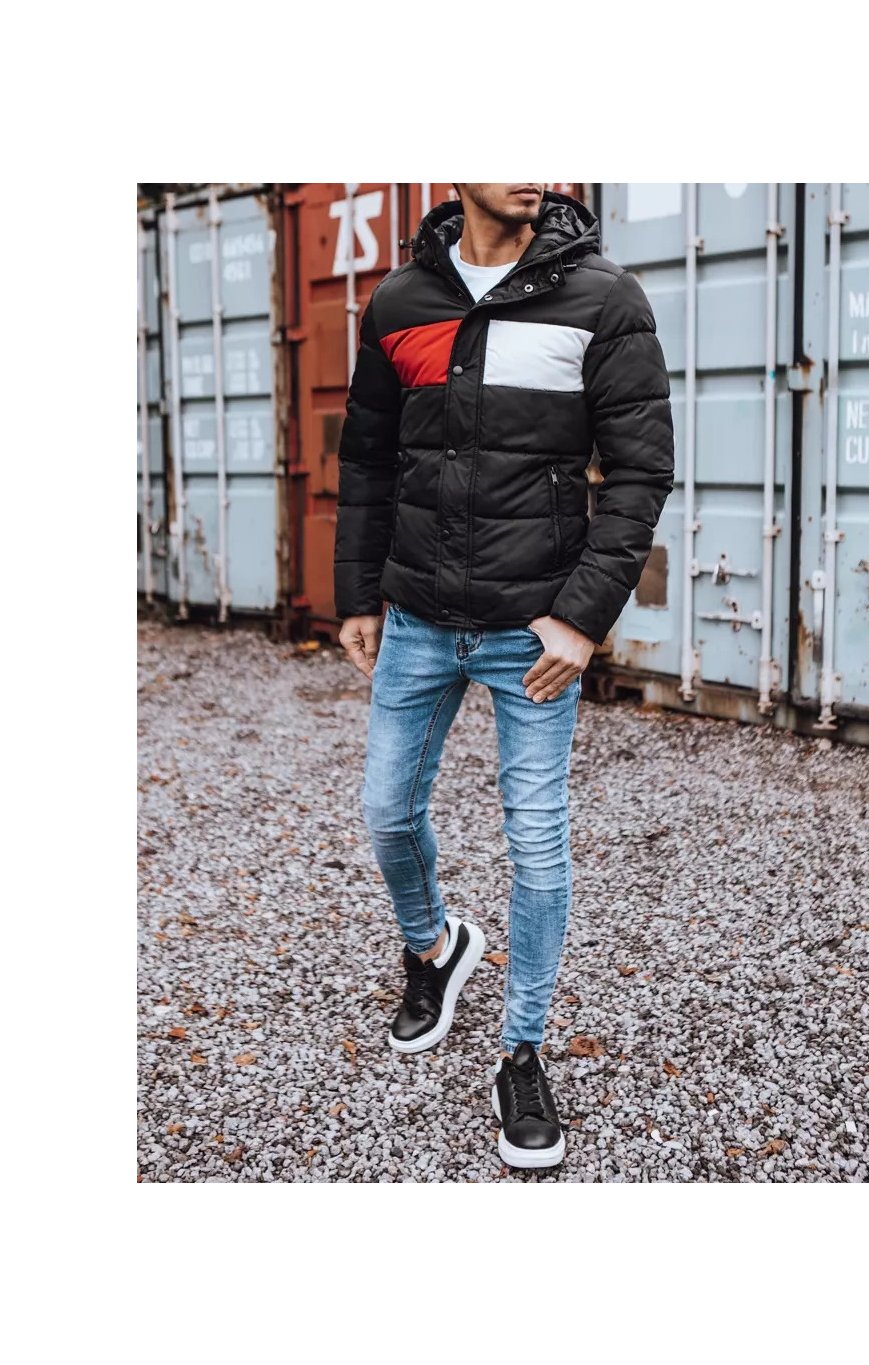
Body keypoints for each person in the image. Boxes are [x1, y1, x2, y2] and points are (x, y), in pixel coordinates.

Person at [334, 184, 675, 1170]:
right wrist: (358, 595)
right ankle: (435, 947)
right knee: (386, 811)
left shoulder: (603, 298)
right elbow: (368, 460)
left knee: (537, 846)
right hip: (416, 619)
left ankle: (521, 1051)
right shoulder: (400, 302)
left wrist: (582, 619)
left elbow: (641, 472)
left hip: (534, 630)